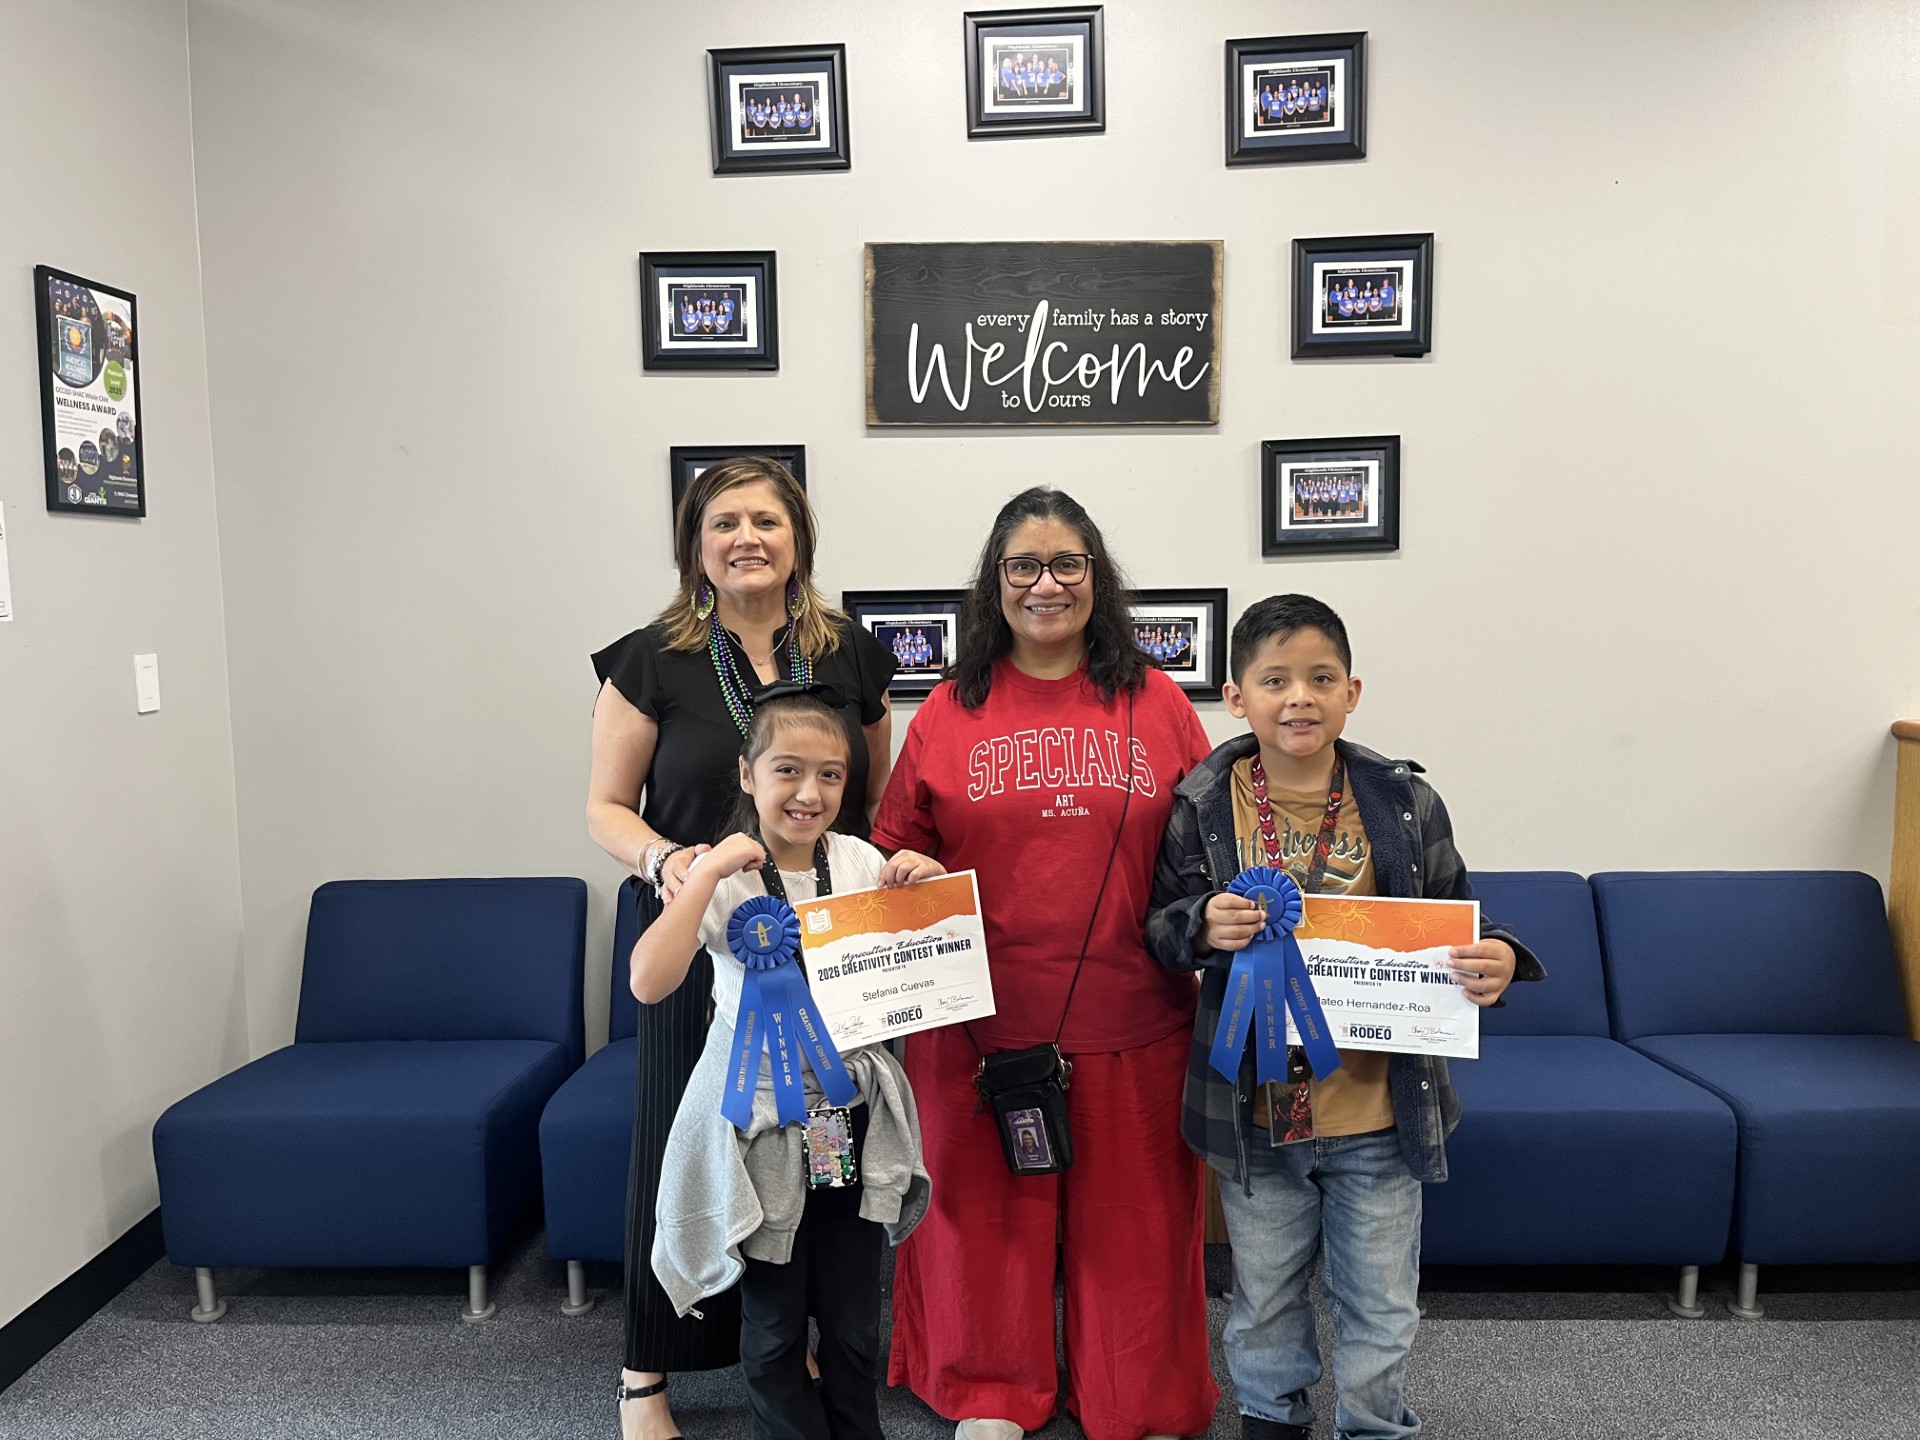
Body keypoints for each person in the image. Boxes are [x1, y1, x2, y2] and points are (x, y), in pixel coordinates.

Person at [1146, 594, 1544, 1440]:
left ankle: (1374, 1425)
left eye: (1321, 678)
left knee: (1383, 1303)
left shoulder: (1402, 802)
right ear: (1235, 696)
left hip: (1381, 1112)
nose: (1300, 697)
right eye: (1276, 680)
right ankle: (1271, 1418)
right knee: (1265, 1297)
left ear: (1352, 692)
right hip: (1258, 1111)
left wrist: (1499, 958)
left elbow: (1456, 913)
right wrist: (1201, 926)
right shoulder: (1203, 805)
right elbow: (1159, 927)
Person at [875, 487, 1220, 1440]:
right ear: (995, 584)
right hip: (976, 1025)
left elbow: (1201, 852)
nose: (1046, 584)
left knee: (1140, 1234)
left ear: (1096, 579)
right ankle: (990, 1390)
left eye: (1068, 563)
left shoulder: (1154, 700)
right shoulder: (946, 709)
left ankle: (1137, 1395)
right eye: (1023, 566)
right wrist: (904, 869)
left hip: (1134, 1017)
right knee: (982, 1228)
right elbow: (893, 849)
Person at [587, 455, 896, 1440]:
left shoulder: (848, 650)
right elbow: (602, 807)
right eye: (724, 522)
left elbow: (875, 796)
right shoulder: (651, 657)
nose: (746, 537)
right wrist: (668, 860)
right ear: (697, 545)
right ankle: (647, 1371)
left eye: (766, 519)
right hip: (703, 938)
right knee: (683, 1149)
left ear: (798, 537)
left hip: (823, 940)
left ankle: (798, 1333)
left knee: (813, 1144)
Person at [639, 688, 939, 1440]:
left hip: (844, 1114)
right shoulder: (718, 873)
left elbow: (919, 970)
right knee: (773, 1322)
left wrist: (927, 890)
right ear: (747, 775)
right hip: (765, 1123)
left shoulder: (861, 859)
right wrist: (701, 877)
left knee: (849, 1315)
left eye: (831, 776)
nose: (810, 794)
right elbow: (649, 981)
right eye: (788, 771)